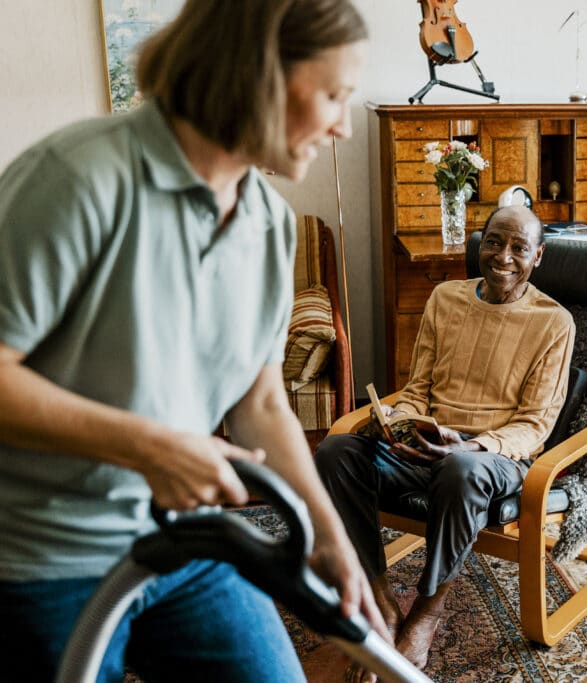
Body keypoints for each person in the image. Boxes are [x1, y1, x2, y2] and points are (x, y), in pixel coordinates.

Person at [0, 2, 387, 681]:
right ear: (260, 74)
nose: (343, 126)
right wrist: (150, 445)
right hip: (43, 553)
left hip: (184, 540)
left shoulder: (267, 225)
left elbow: (260, 401)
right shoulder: (77, 178)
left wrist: (332, 537)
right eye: (334, 95)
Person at [315, 205, 576, 676]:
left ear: (537, 256)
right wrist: (399, 419)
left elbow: (534, 425)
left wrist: (470, 446)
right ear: (480, 244)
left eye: (519, 248)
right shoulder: (445, 298)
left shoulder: (554, 322)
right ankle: (379, 600)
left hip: (494, 456)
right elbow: (417, 389)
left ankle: (426, 612)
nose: (503, 257)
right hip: (428, 442)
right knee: (336, 451)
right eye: (494, 242)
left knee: (460, 469)